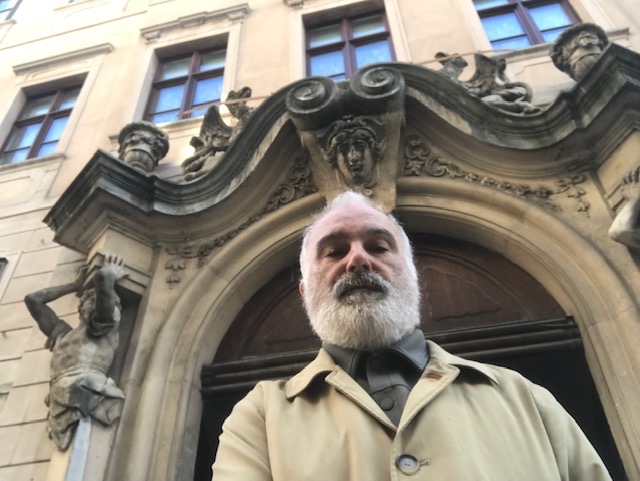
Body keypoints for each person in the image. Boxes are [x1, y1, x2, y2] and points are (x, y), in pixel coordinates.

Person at [212, 191, 612, 480]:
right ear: (304, 291)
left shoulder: (525, 398)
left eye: (378, 247)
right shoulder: (259, 417)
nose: (357, 259)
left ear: (414, 276)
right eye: (334, 252)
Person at [24, 255, 126, 450]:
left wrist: (111, 275)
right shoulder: (62, 334)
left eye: (97, 300)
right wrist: (74, 285)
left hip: (88, 389)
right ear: (80, 307)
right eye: (89, 300)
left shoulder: (103, 326)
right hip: (59, 397)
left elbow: (103, 277)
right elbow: (33, 300)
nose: (93, 304)